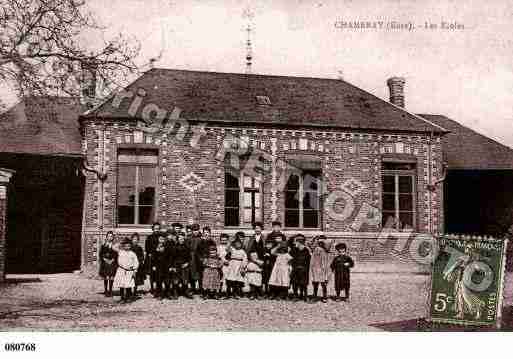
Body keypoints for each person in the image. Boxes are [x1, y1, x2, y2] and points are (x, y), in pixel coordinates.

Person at [113, 238, 139, 303]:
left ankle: (128, 298)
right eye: (126, 245)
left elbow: (136, 262)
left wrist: (135, 270)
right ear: (123, 246)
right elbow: (114, 247)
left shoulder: (132, 253)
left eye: (129, 246)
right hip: (121, 270)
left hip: (129, 271)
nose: (127, 247)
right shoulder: (120, 252)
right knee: (121, 285)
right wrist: (121, 242)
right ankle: (122, 298)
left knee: (128, 285)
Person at [224, 234, 247, 299]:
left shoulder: (243, 251)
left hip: (238, 266)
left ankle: (235, 293)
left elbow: (245, 260)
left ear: (241, 244)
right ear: (234, 244)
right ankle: (228, 293)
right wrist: (230, 242)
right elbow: (226, 249)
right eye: (236, 243)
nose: (238, 245)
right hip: (232, 265)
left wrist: (243, 267)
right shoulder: (232, 249)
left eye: (239, 243)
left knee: (236, 281)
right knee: (229, 279)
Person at [309, 235, 331, 303]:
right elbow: (309, 244)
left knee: (323, 283)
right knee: (315, 283)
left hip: (323, 268)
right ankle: (314, 296)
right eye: (319, 241)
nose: (320, 242)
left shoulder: (326, 249)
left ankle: (324, 296)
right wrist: (314, 239)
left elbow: (328, 244)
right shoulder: (316, 248)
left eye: (322, 240)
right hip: (316, 267)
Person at [291, 234, 311, 302]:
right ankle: (295, 295)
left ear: (300, 243)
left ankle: (304, 295)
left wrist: (304, 268)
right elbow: (291, 258)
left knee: (304, 283)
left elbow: (308, 261)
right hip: (295, 269)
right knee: (295, 283)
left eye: (296, 242)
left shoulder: (306, 251)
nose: (295, 244)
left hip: (304, 270)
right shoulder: (294, 250)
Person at [172, 231, 192, 299]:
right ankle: (175, 292)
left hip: (184, 265)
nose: (181, 240)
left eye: (183, 239)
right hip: (176, 265)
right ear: (177, 239)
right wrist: (173, 266)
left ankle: (185, 291)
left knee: (185, 279)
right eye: (180, 239)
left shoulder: (187, 247)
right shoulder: (174, 247)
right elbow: (172, 258)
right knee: (176, 279)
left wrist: (187, 263)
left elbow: (190, 257)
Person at [99, 231, 118, 297]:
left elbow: (116, 254)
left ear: (113, 238)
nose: (110, 237)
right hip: (105, 263)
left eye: (111, 236)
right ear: (106, 237)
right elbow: (101, 254)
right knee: (106, 277)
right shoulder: (104, 245)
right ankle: (106, 290)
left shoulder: (114, 245)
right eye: (109, 236)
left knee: (111, 277)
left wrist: (112, 260)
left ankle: (110, 290)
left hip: (112, 263)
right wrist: (105, 259)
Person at [144, 222, 161, 294]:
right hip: (151, 257)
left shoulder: (161, 237)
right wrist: (151, 252)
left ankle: (158, 288)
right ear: (153, 229)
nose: (156, 230)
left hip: (159, 257)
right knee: (151, 273)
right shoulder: (149, 237)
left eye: (158, 229)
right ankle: (152, 288)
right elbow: (147, 248)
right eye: (155, 229)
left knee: (158, 273)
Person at [187, 223, 203, 295]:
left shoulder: (201, 239)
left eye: (197, 230)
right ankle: (193, 288)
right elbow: (187, 248)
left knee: (199, 272)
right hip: (192, 257)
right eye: (194, 230)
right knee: (192, 272)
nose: (195, 232)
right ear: (192, 231)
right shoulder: (189, 238)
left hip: (199, 258)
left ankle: (200, 289)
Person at [152, 235, 170, 299]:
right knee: (158, 280)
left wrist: (169, 266)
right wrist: (153, 265)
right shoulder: (155, 247)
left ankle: (167, 293)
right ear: (158, 240)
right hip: (158, 266)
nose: (161, 240)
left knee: (166, 280)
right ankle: (159, 293)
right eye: (160, 239)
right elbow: (153, 257)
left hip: (165, 266)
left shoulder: (167, 247)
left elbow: (169, 257)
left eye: (163, 239)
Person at [130, 233, 145, 297]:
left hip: (137, 265)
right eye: (134, 239)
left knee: (136, 279)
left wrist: (139, 262)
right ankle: (129, 292)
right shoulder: (129, 247)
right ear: (132, 240)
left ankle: (135, 291)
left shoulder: (139, 248)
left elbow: (142, 256)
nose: (135, 240)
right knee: (130, 279)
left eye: (136, 239)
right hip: (130, 265)